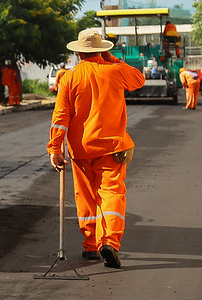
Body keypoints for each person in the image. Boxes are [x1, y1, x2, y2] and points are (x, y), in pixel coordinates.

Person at [47, 29, 145, 269]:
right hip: (111, 149)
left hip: (81, 151)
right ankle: (109, 242)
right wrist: (113, 59)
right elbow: (139, 80)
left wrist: (55, 147)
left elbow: (61, 117)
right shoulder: (115, 71)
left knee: (86, 198)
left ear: (78, 52)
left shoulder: (69, 77)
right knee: (111, 194)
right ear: (103, 50)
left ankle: (90, 245)